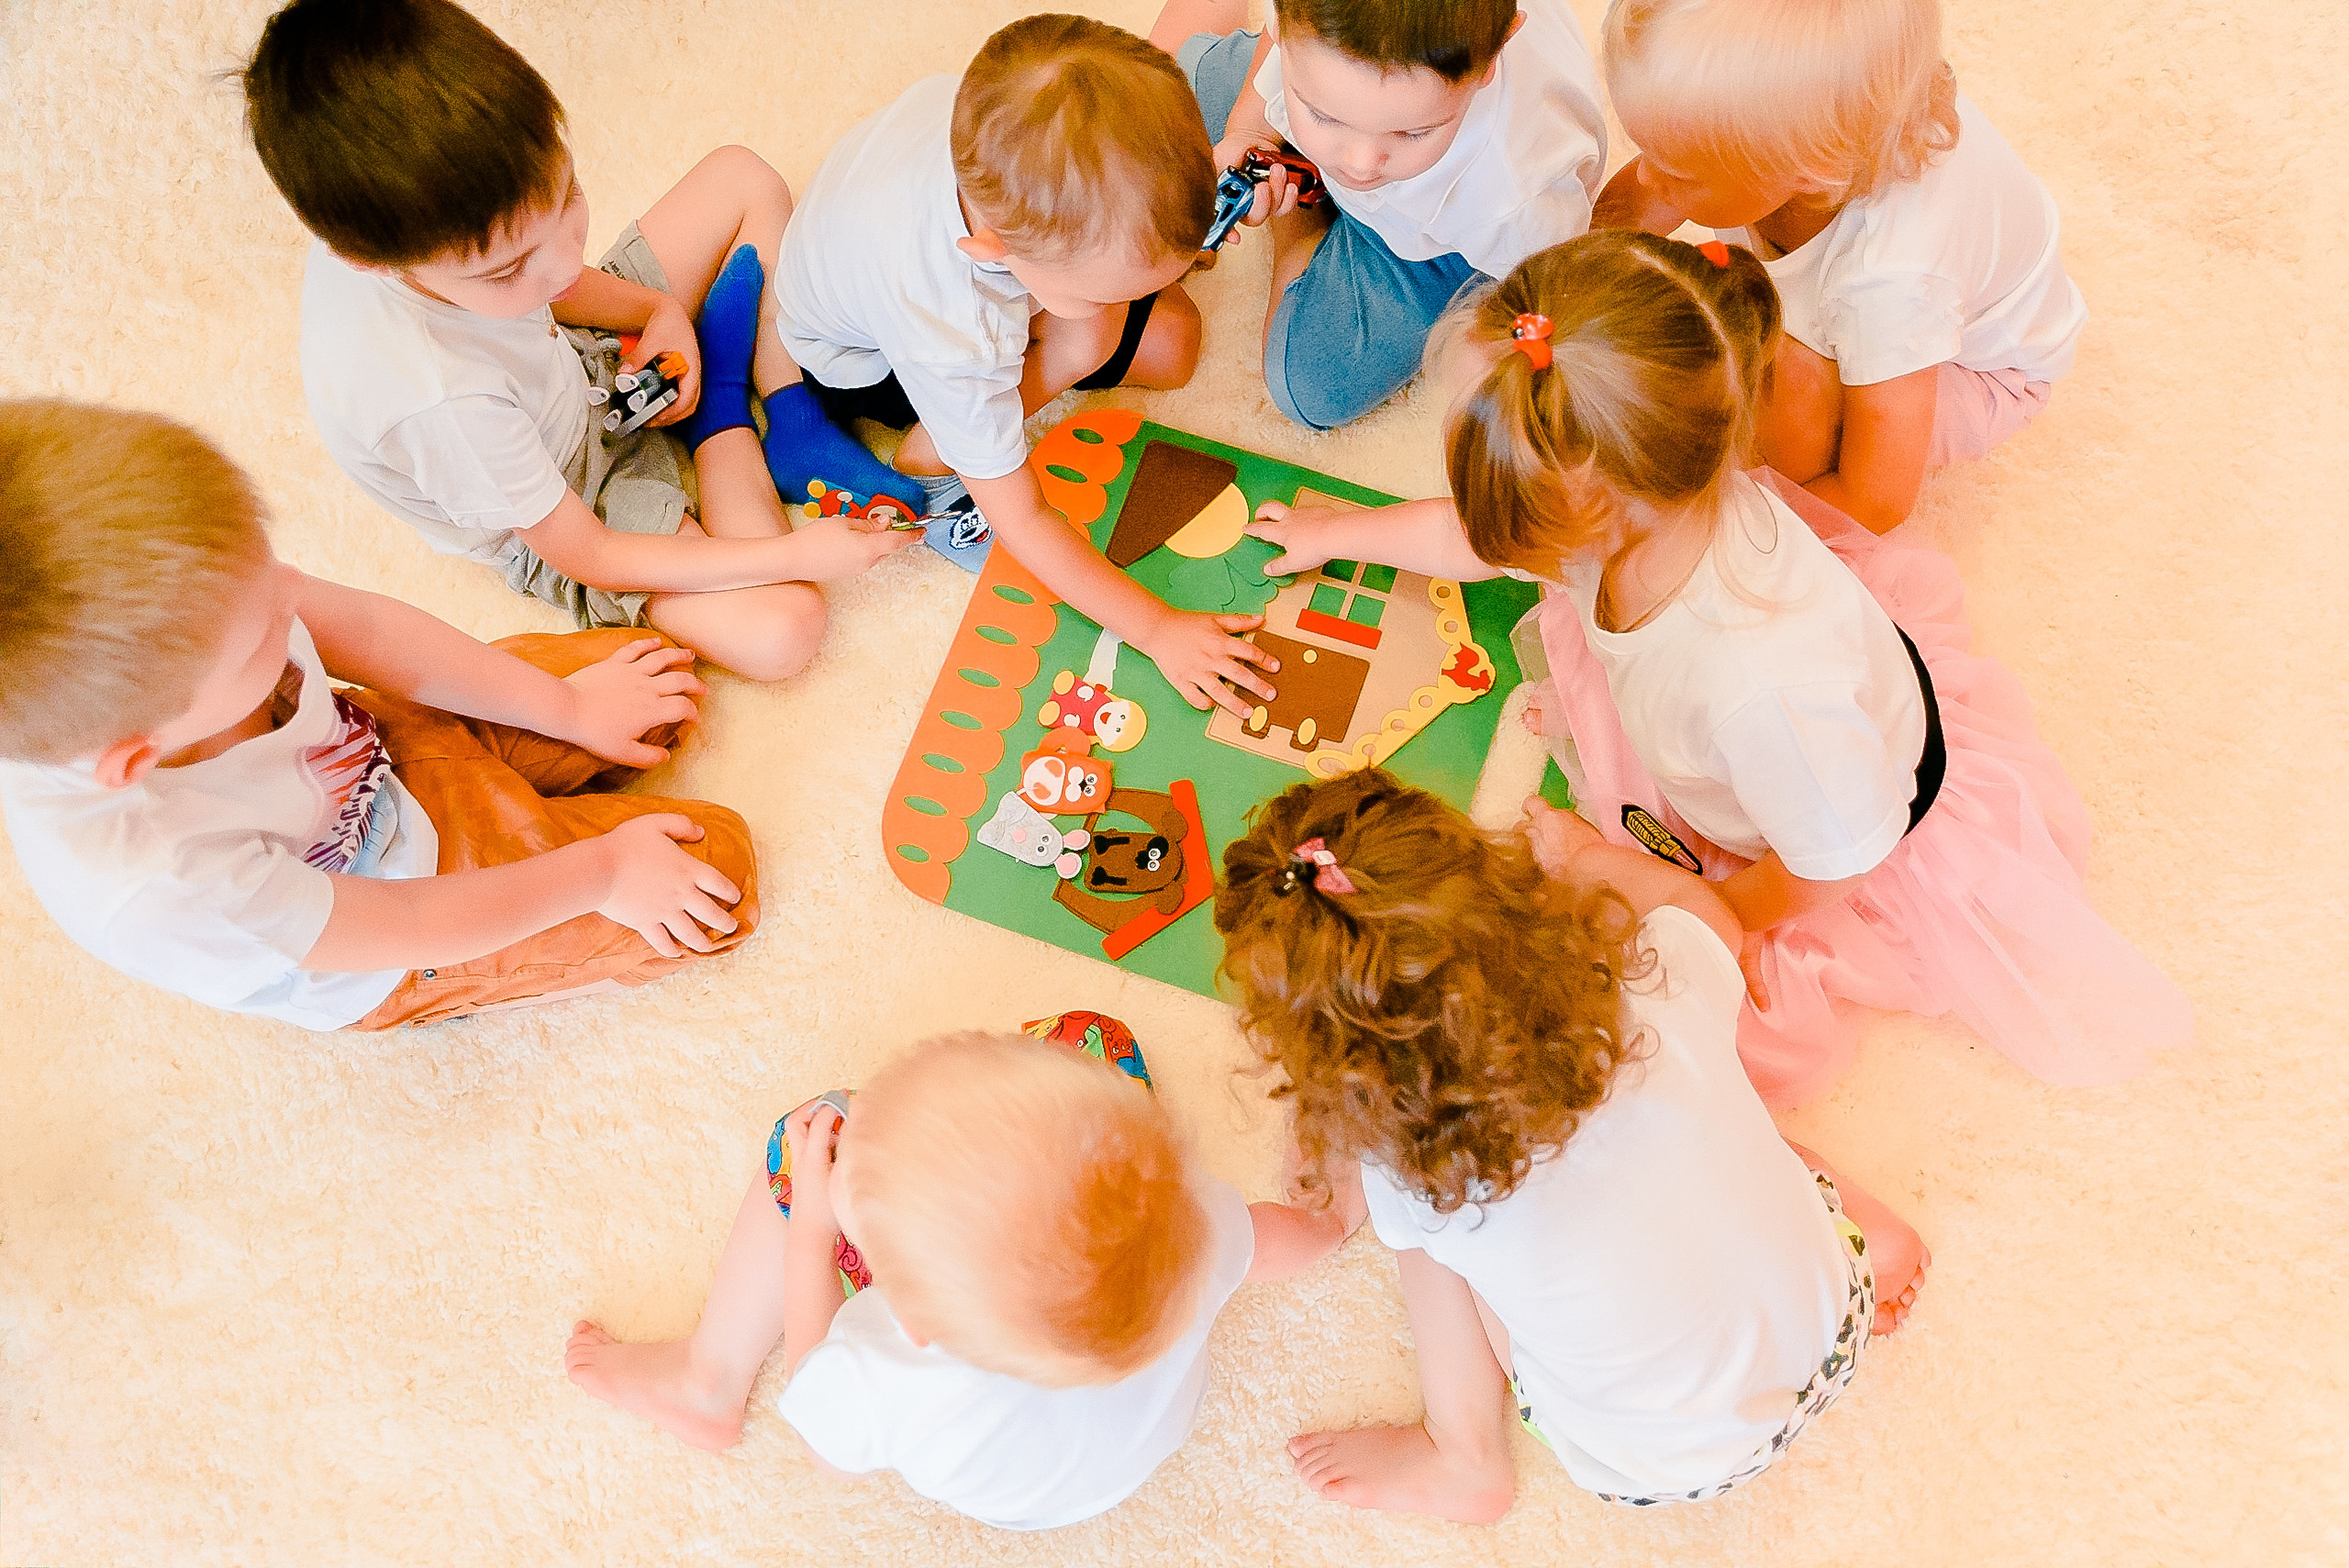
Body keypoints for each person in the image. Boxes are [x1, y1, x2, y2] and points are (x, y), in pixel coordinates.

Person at [1248, 230, 2189, 1108]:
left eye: (1504, 496)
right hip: (1740, 734)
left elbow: (1832, 859)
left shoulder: (1758, 688)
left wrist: (1694, 908)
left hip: (1820, 842)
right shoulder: (1636, 504)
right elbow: (1474, 534)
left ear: (1599, 514)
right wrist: (1338, 534)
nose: (1478, 509)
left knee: (1696, 1039)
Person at [1213, 770, 1922, 1520]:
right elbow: (1701, 908)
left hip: (1657, 1461)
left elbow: (1350, 1184)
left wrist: (1335, 1130)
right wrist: (1584, 861)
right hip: (1835, 1322)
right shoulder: (1653, 995)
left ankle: (1462, 1453)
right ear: (1500, 888)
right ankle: (1871, 1242)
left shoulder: (1418, 1179)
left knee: (1424, 1245)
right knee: (1705, 1113)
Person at [0, 400, 757, 1030]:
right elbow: (420, 918)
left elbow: (369, 634)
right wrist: (607, 872)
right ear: (138, 756)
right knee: (718, 876)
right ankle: (490, 986)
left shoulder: (205, 616)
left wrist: (568, 709)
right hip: (393, 923)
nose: (287, 600)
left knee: (657, 680)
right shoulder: (163, 885)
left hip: (379, 744)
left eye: (271, 571)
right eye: (265, 632)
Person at [238, 0, 918, 682]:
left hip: (577, 353)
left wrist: (655, 308)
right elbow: (588, 553)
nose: (566, 261)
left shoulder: (475, 247)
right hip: (574, 496)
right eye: (507, 268)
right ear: (371, 259)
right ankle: (723, 409)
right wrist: (799, 557)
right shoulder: (436, 401)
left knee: (745, 178)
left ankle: (790, 408)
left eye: (567, 198)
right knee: (785, 629)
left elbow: (557, 285)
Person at [565, 1023, 1364, 1531]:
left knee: (801, 1138)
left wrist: (813, 1229)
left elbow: (825, 1449)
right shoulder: (1185, 1222)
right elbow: (1272, 1240)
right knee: (1093, 1042)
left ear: (902, 1304)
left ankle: (708, 1379)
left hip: (1022, 1498)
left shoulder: (886, 1362)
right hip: (1124, 1444)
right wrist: (1331, 1221)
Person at [769, 14, 1278, 715]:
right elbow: (1026, 519)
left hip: (868, 257)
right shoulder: (953, 332)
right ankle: (937, 449)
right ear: (994, 252)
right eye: (1106, 289)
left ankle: (1091, 301)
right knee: (1142, 340)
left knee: (1173, 335)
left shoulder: (997, 120)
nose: (1141, 295)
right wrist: (1157, 629)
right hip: (868, 362)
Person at [1593, 0, 2087, 532]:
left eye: (1673, 168)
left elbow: (1874, 498)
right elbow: (1643, 203)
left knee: (1792, 412)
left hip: (1982, 371)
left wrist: (1708, 538)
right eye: (1643, 147)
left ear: (1809, 170)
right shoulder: (1803, 127)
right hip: (1897, 298)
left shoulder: (1890, 280)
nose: (1645, 177)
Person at [1151, 0, 1606, 429]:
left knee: (1313, 388)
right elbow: (1276, 38)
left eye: (1414, 132)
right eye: (1323, 115)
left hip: (1438, 246)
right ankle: (1310, 153)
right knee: (1158, 105)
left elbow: (1538, 300)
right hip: (1322, 64)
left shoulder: (1522, 194)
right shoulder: (1308, 28)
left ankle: (1303, 212)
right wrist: (1248, 131)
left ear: (1494, 56)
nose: (1360, 164)